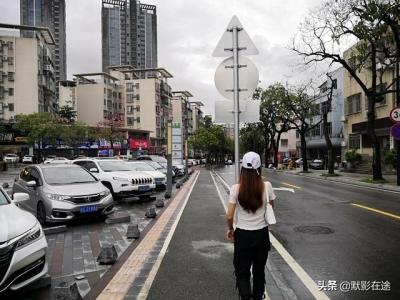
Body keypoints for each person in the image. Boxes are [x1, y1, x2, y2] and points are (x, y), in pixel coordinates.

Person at [226, 151, 276, 300]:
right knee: (259, 272)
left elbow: (229, 216)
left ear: (242, 168)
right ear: (259, 168)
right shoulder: (266, 186)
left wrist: (230, 229)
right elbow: (271, 206)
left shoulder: (236, 188)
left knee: (242, 273)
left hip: (242, 235)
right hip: (261, 235)